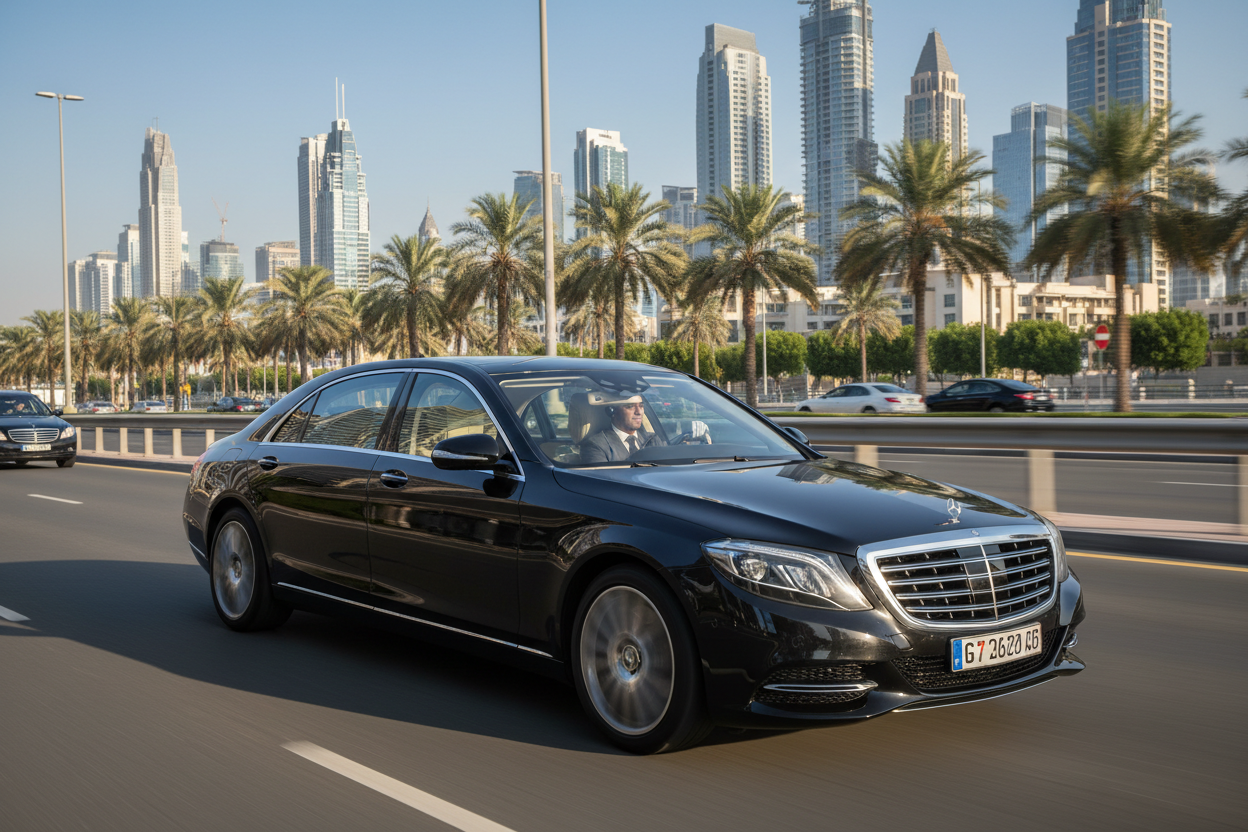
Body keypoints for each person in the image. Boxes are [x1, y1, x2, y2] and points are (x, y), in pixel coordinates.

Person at [580, 397, 662, 463]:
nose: (639, 412)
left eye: (641, 406)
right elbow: (604, 480)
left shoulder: (652, 439)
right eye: (630, 406)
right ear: (611, 411)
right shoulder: (596, 445)